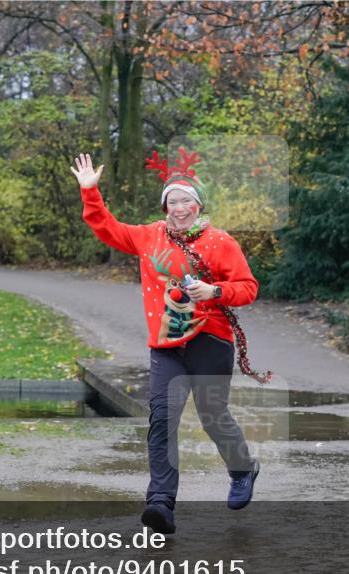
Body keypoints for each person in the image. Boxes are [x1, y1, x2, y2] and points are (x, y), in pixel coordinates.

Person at [71, 150, 271, 535]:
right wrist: (90, 192)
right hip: (166, 344)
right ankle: (160, 503)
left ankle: (243, 468)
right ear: (165, 206)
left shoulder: (221, 242)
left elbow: (248, 288)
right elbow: (106, 227)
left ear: (199, 205)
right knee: (162, 418)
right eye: (172, 201)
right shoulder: (148, 237)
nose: (179, 208)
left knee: (213, 415)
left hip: (211, 339)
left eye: (186, 201)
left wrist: (213, 290)